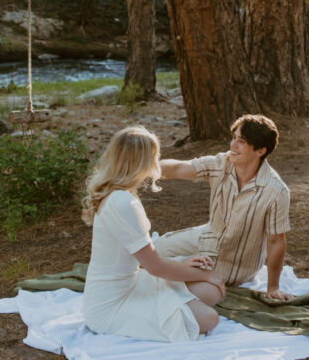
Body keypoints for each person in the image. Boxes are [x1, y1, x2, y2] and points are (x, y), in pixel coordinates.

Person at [81, 126, 225, 342]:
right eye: (155, 156)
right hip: (111, 304)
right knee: (209, 319)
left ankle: (175, 302)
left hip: (132, 282)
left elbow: (143, 259)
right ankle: (169, 308)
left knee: (213, 291)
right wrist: (204, 274)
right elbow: (155, 267)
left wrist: (186, 266)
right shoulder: (121, 202)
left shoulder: (121, 193)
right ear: (142, 162)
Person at [157, 114, 293, 301]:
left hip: (234, 263)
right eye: (234, 138)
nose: (233, 145)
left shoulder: (276, 191)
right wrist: (138, 169)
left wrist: (273, 288)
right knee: (151, 251)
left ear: (260, 150)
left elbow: (276, 241)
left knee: (163, 272)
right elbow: (179, 168)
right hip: (207, 235)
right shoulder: (222, 162)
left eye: (241, 141)